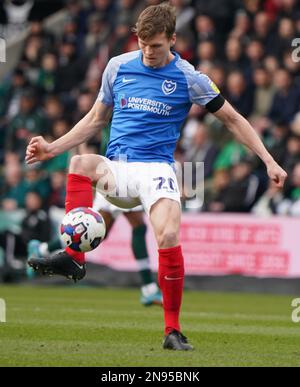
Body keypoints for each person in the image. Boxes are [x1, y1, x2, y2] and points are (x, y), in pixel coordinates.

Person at [25, 3, 287, 351]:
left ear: (173, 40)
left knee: (168, 235)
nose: (148, 52)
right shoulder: (118, 66)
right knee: (80, 165)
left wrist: (269, 160)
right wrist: (52, 148)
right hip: (118, 169)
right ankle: (75, 259)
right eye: (143, 44)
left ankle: (172, 330)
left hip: (156, 172)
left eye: (156, 46)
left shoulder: (189, 77)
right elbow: (95, 119)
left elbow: (234, 119)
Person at [27, 192, 162, 307]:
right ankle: (149, 288)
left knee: (100, 232)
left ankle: (42, 248)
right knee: (95, 231)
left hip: (126, 176)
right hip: (118, 176)